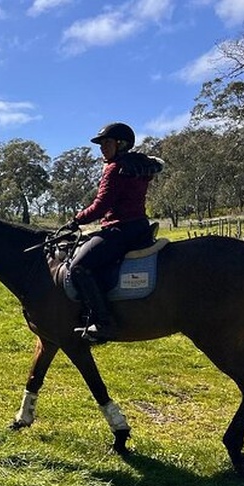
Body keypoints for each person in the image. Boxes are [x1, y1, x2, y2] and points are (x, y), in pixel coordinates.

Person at [65, 122, 165, 342]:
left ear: (121, 144)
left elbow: (101, 206)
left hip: (121, 229)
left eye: (107, 142)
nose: (102, 147)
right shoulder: (136, 165)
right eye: (101, 143)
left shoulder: (115, 168)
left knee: (79, 267)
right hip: (139, 226)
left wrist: (76, 220)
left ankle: (103, 323)